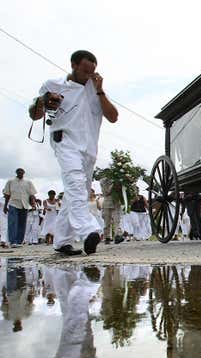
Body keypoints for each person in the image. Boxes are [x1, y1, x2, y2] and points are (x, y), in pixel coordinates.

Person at [28, 50, 118, 256]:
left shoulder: (95, 90)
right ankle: (88, 231)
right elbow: (34, 115)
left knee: (77, 193)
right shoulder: (53, 84)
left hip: (89, 149)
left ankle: (62, 241)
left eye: (92, 71)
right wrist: (43, 101)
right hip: (65, 143)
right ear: (73, 65)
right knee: (76, 184)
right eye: (85, 70)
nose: (88, 74)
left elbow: (113, 117)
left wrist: (100, 90)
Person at [3, 168, 37, 248]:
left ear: (24, 173)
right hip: (13, 204)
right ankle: (13, 241)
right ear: (16, 173)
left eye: (22, 172)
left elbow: (31, 195)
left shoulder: (28, 182)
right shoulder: (10, 181)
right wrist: (5, 206)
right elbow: (7, 195)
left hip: (24, 205)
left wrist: (33, 204)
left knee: (22, 224)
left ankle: (19, 241)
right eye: (19, 172)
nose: (20, 173)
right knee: (13, 223)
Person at [99, 177, 124, 245]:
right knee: (107, 222)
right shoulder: (103, 181)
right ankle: (107, 237)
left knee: (117, 220)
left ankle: (117, 235)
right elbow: (106, 192)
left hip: (116, 202)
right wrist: (113, 185)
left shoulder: (118, 180)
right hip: (107, 203)